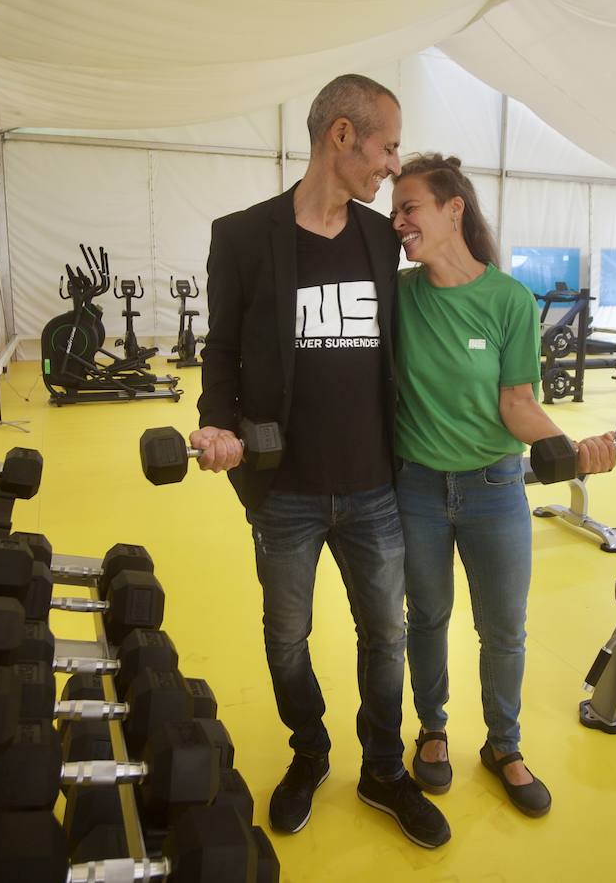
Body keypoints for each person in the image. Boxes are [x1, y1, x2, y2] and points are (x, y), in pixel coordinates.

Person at [188, 75, 451, 849]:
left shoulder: (380, 240)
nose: (392, 166)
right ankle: (309, 752)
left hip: (375, 487)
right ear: (343, 136)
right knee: (284, 638)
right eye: (388, 145)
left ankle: (381, 767)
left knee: (386, 638)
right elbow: (223, 350)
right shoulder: (241, 236)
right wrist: (214, 425)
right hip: (285, 493)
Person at [388, 153, 616, 818]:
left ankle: (503, 745)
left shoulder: (509, 300)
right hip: (418, 487)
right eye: (395, 210)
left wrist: (569, 451)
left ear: (452, 208)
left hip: (493, 487)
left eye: (411, 208)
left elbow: (516, 401)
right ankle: (432, 730)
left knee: (505, 630)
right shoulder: (399, 295)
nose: (399, 221)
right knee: (426, 617)